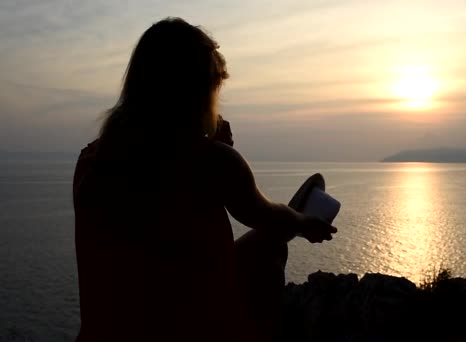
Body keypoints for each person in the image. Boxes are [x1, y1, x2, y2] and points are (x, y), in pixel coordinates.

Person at [72, 17, 337, 341]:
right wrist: (303, 222)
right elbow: (269, 217)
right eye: (214, 91)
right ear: (197, 93)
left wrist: (211, 144)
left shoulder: (93, 162)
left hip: (108, 331)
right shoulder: (209, 161)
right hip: (190, 327)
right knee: (272, 246)